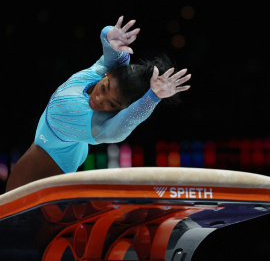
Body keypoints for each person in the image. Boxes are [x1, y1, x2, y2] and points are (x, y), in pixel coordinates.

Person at [5, 16, 191, 192]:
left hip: (51, 155)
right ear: (107, 74)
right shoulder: (98, 70)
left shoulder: (99, 126)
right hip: (61, 142)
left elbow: (131, 118)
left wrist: (153, 97)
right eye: (103, 88)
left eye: (111, 105)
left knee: (9, 205)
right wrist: (109, 34)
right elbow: (111, 47)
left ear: (121, 109)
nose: (99, 100)